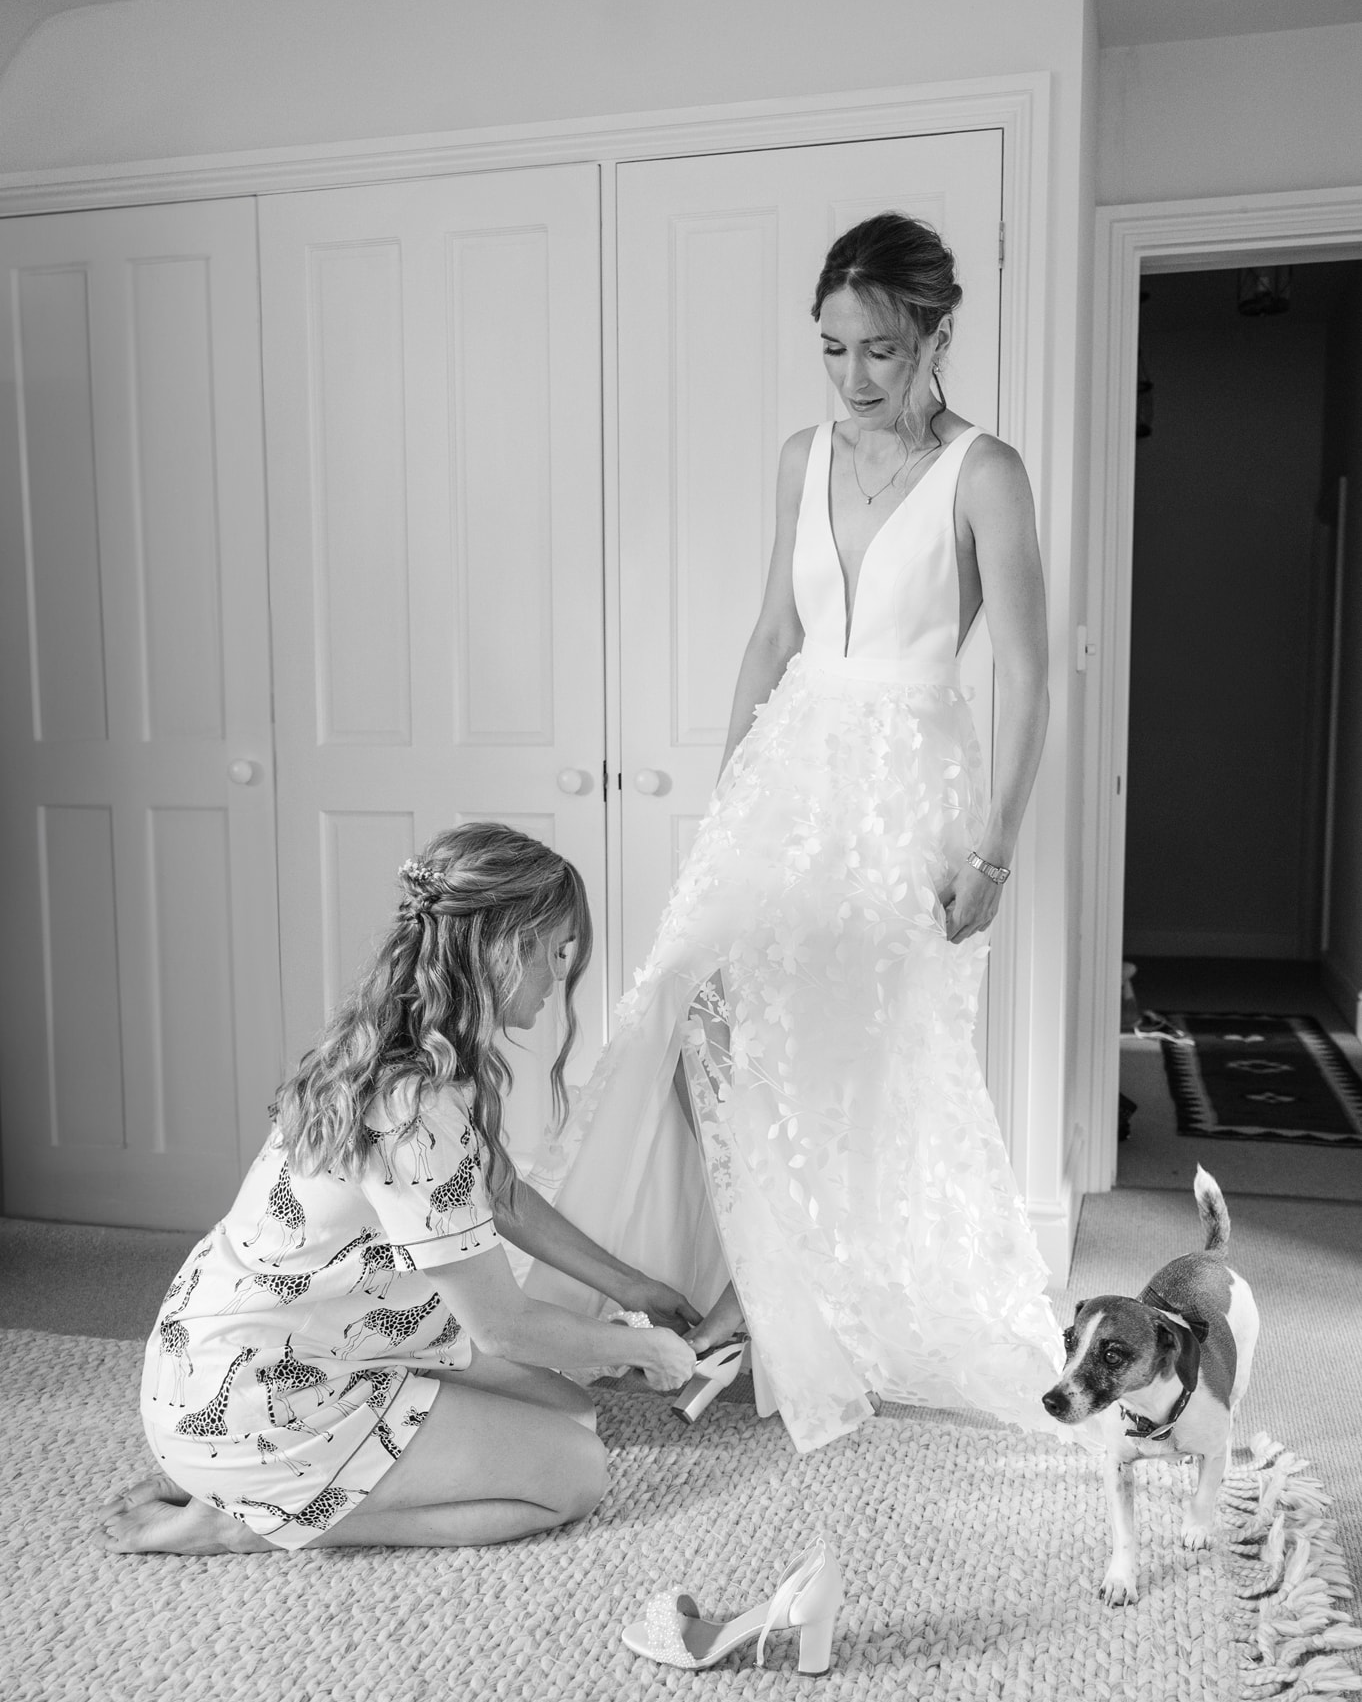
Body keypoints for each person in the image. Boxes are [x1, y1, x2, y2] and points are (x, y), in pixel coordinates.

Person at [528, 212, 1064, 1452]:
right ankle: (707, 1286)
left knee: (855, 1051)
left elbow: (1029, 678)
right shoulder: (800, 456)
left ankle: (809, 1309)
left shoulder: (989, 472)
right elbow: (772, 632)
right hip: (788, 764)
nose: (854, 376)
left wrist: (995, 847)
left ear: (935, 333)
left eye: (878, 348)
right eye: (831, 349)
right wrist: (728, 798)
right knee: (696, 999)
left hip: (908, 784)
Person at [96, 824, 698, 1554]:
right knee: (575, 1473)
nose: (562, 975)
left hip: (242, 1353)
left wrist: (631, 1290)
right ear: (511, 946)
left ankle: (266, 1493)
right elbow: (501, 1326)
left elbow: (498, 1196)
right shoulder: (415, 1106)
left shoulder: (402, 1045)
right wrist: (645, 1352)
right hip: (257, 1398)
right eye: (560, 949)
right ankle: (239, 1524)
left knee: (572, 1414)